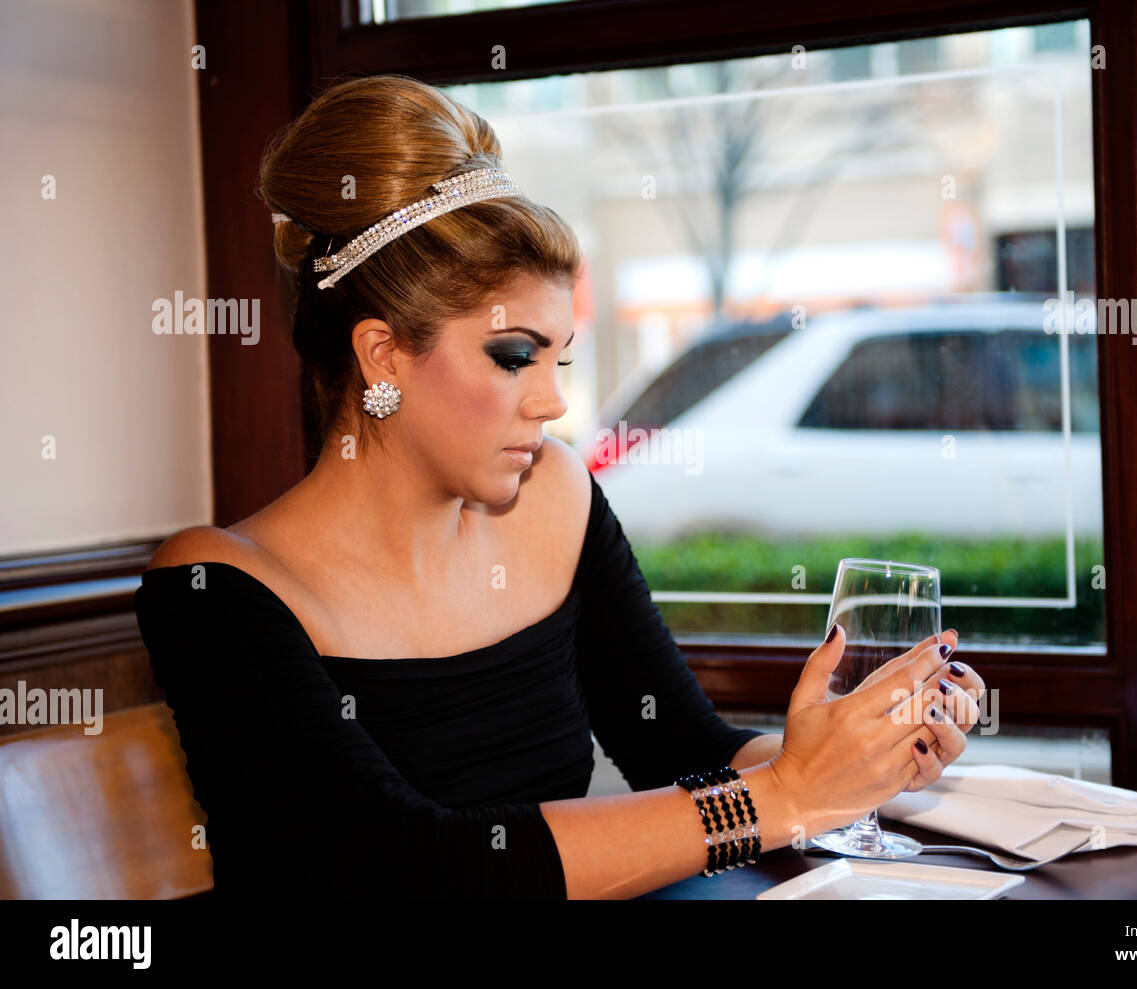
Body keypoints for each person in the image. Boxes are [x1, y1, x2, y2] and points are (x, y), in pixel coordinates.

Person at [133, 74, 986, 900]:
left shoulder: (555, 496)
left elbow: (679, 750)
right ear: (383, 356)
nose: (552, 399)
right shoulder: (217, 585)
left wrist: (854, 753)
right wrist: (788, 795)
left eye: (559, 357)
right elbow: (400, 867)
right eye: (513, 357)